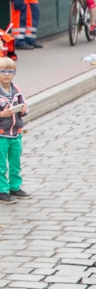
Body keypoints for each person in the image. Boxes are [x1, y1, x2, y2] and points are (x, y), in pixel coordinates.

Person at [0, 58, 30, 205]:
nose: (6, 74)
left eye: (10, 72)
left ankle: (15, 187)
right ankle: (2, 190)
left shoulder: (16, 90)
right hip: (1, 134)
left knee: (15, 163)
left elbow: (25, 106)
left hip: (15, 133)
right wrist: (2, 115)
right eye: (3, 71)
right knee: (1, 165)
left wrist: (23, 110)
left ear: (14, 74)